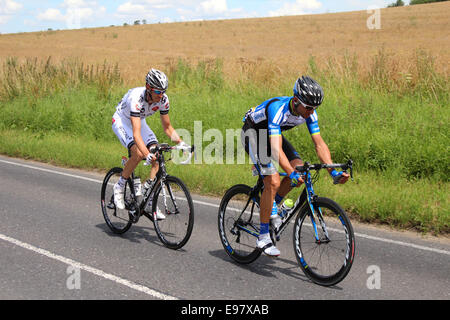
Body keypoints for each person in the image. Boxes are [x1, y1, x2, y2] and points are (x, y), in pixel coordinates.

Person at [241, 75, 349, 257]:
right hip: (254, 134)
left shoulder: (309, 112)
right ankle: (263, 237)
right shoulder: (278, 109)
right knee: (273, 181)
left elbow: (319, 144)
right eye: (308, 107)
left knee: (302, 172)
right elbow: (275, 150)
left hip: (272, 135)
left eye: (315, 108)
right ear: (297, 100)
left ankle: (271, 206)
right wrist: (289, 172)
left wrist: (333, 172)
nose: (311, 112)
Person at [112, 68, 188, 219]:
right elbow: (136, 134)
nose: (161, 96)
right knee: (138, 153)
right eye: (158, 92)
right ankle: (119, 186)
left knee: (157, 156)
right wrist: (146, 155)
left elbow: (167, 127)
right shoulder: (136, 99)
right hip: (122, 121)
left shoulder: (163, 100)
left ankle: (150, 201)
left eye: (163, 92)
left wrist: (181, 142)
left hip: (139, 121)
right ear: (148, 88)